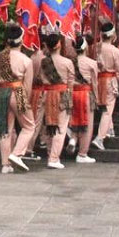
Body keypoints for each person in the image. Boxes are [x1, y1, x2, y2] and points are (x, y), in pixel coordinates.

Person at [0, 25, 36, 173]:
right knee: (29, 126)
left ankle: (5, 164)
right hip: (18, 91)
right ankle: (17, 153)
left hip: (1, 91)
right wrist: (26, 103)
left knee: (5, 129)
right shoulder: (26, 60)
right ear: (21, 40)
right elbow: (28, 87)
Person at [39, 34, 75, 170]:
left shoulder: (44, 62)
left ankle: (51, 154)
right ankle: (54, 158)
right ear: (59, 44)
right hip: (63, 93)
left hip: (47, 94)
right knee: (60, 128)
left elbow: (40, 77)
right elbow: (71, 83)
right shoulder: (67, 62)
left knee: (49, 126)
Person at [92, 22, 119, 151]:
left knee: (104, 107)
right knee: (107, 110)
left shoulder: (95, 48)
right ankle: (100, 137)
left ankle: (109, 129)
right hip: (109, 79)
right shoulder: (115, 51)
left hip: (97, 80)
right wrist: (117, 82)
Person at [71, 35, 98, 163]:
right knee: (87, 123)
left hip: (73, 93)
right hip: (85, 93)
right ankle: (82, 153)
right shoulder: (92, 63)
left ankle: (73, 139)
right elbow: (95, 83)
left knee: (74, 119)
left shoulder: (70, 61)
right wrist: (97, 98)